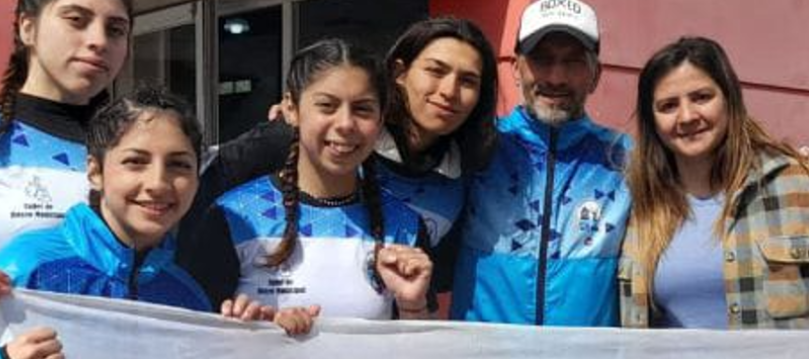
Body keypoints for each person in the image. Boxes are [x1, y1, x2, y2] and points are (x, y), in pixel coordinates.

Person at [183, 17, 498, 266]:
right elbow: (195, 209)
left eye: (468, 81)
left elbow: (435, 281)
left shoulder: (467, 173)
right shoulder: (299, 137)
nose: (449, 91)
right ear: (400, 73)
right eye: (435, 70)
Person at [0, 1, 132, 359]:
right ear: (27, 27)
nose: (99, 40)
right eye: (77, 20)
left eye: (116, 29)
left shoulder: (142, 151)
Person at [182, 38, 434, 320]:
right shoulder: (234, 217)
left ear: (381, 117)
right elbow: (191, 341)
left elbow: (420, 357)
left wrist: (413, 305)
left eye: (363, 109)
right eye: (327, 106)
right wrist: (243, 333)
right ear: (291, 108)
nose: (345, 124)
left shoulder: (405, 226)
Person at [619, 36, 809, 329]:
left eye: (701, 97)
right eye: (668, 106)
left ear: (730, 99)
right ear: (652, 120)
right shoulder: (636, 204)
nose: (686, 116)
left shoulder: (797, 185)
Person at [451, 0, 631, 326]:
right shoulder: (475, 146)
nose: (556, 77)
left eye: (573, 61)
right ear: (516, 68)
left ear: (595, 74)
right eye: (541, 59)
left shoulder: (628, 159)